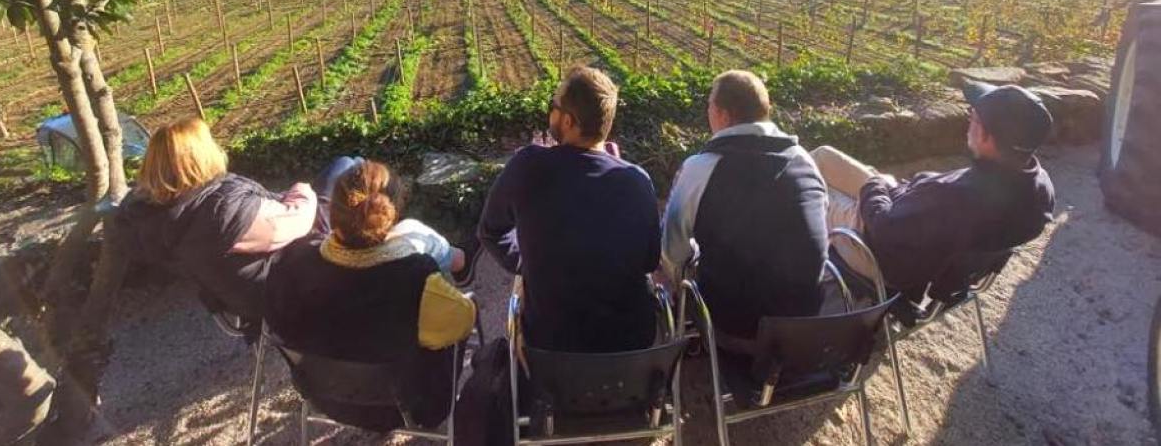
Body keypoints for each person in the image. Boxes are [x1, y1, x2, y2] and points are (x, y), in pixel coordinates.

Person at [120, 117, 479, 319]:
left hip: (247, 299)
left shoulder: (155, 217)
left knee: (347, 165)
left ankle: (406, 235)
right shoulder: (223, 212)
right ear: (198, 158)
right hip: (303, 268)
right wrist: (301, 190)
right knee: (360, 175)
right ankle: (455, 259)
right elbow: (300, 218)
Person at [265, 160, 476, 431]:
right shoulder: (415, 278)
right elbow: (463, 321)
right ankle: (461, 259)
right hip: (415, 408)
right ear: (392, 212)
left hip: (327, 401)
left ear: (331, 212)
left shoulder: (290, 263)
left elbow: (276, 325)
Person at [813, 82, 1056, 299]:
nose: (968, 120)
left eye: (973, 117)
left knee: (807, 189)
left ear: (987, 137)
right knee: (822, 156)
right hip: (913, 231)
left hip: (876, 251)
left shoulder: (953, 198)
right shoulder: (1038, 187)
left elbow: (884, 227)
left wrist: (874, 184)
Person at [478, 66, 661, 353]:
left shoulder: (528, 167)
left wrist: (530, 265)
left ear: (567, 120)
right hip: (630, 352)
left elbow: (490, 231)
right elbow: (650, 261)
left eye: (552, 106)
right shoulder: (638, 180)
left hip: (551, 350)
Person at [662, 70, 828, 343]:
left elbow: (672, 251)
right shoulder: (804, 161)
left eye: (709, 106)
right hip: (804, 329)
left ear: (723, 115)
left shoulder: (701, 168)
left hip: (734, 332)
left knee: (682, 262)